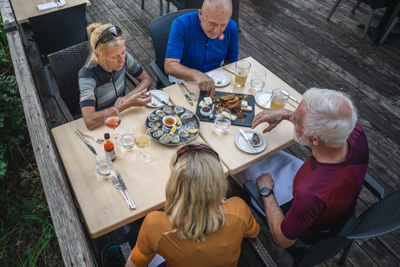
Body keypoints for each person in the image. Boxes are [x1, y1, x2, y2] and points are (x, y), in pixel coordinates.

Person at [251, 88, 369, 248]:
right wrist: (285, 113)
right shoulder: (355, 131)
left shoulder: (312, 192)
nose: (291, 119)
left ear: (315, 139)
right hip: (341, 206)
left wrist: (267, 193)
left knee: (248, 170)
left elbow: (283, 240)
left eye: (295, 120)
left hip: (313, 231)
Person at [126, 144, 259, 267]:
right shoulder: (238, 208)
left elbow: (134, 265)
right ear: (219, 183)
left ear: (174, 184)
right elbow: (253, 233)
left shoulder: (155, 224)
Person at [79, 23, 152, 129]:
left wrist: (128, 97)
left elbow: (146, 79)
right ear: (97, 55)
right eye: (115, 57)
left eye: (123, 52)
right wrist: (127, 104)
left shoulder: (125, 58)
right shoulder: (87, 75)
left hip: (122, 115)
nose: (122, 60)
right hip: (101, 123)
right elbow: (90, 121)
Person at [164, 0, 239, 96]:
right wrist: (196, 75)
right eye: (212, 23)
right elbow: (170, 66)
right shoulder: (181, 24)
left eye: (223, 24)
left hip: (216, 79)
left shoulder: (232, 26)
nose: (216, 31)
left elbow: (232, 62)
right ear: (200, 14)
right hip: (184, 79)